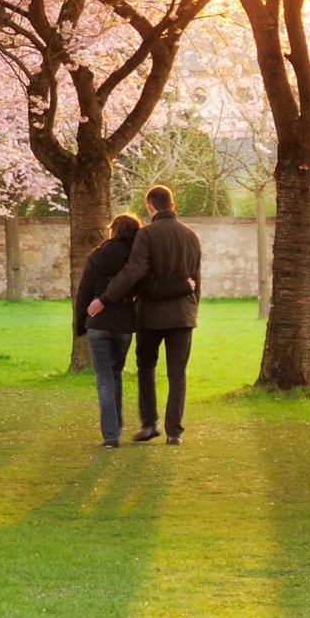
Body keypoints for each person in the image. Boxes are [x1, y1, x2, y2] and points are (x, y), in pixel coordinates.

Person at [88, 184, 201, 445]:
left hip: (150, 315)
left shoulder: (146, 235)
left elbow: (133, 272)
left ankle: (149, 423)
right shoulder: (191, 236)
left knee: (146, 368)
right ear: (172, 205)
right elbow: (196, 280)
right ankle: (174, 431)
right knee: (177, 373)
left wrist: (105, 298)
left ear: (150, 207)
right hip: (183, 315)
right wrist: (193, 307)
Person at [73, 215, 140, 448]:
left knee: (103, 379)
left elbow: (84, 291)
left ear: (113, 230)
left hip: (98, 323)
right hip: (123, 323)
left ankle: (111, 435)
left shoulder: (98, 254)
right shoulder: (135, 258)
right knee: (115, 374)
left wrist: (80, 324)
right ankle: (116, 427)